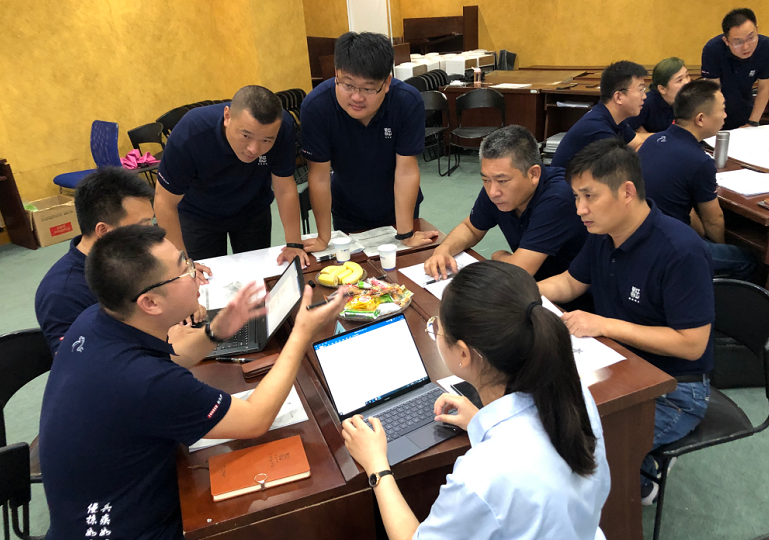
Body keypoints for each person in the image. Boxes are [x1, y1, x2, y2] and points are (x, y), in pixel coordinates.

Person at [39, 224, 347, 540]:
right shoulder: (145, 381)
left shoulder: (94, 319)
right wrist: (301, 334)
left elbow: (171, 359)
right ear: (150, 303)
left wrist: (216, 331)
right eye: (184, 269)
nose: (195, 275)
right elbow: (255, 419)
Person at [342, 260, 610, 539]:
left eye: (437, 328)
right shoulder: (574, 394)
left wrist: (377, 465)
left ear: (463, 353)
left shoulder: (482, 474)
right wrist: (479, 421)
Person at [538, 139, 713, 505]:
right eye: (576, 197)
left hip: (675, 388)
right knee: (544, 411)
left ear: (627, 192)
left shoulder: (680, 250)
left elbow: (692, 344)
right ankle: (635, 459)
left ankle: (644, 478)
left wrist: (605, 325)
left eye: (589, 196)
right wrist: (517, 291)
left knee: (579, 453)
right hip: (616, 363)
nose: (580, 209)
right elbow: (570, 283)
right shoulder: (604, 233)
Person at [300, 32, 438, 249]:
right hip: (347, 208)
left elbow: (406, 171)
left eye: (368, 88)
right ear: (336, 74)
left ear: (387, 83)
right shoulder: (316, 107)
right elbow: (319, 177)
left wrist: (406, 234)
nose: (357, 97)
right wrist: (322, 238)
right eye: (347, 85)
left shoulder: (407, 102)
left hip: (399, 208)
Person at [155, 85, 309, 266]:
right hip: (199, 215)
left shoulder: (281, 127)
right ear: (227, 116)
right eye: (246, 136)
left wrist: (293, 244)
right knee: (203, 277)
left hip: (252, 210)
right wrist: (182, 265)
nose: (254, 149)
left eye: (266, 140)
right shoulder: (190, 134)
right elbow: (164, 201)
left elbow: (284, 188)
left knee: (256, 271)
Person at [424, 125, 587, 281]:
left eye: (502, 180)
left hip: (571, 295)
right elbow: (471, 228)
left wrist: (499, 256)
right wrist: (443, 250)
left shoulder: (559, 197)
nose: (493, 192)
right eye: (485, 179)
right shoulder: (495, 187)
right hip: (532, 284)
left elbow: (518, 271)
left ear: (534, 174)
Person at [638, 79, 755, 280]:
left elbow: (680, 202)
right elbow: (714, 220)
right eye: (722, 109)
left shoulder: (652, 141)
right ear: (700, 118)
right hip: (670, 247)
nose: (725, 115)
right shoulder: (699, 161)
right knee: (747, 259)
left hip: (641, 234)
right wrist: (720, 248)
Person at [35, 168, 155, 353]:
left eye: (151, 222)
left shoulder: (131, 256)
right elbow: (78, 363)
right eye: (143, 225)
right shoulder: (63, 294)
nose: (152, 234)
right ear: (104, 231)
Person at [552, 61, 647, 169]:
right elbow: (620, 170)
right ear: (618, 97)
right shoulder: (598, 129)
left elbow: (638, 145)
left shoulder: (614, 118)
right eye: (640, 90)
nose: (644, 96)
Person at [701, 8, 769, 129]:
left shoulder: (765, 47)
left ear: (757, 30)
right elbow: (713, 91)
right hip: (717, 110)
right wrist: (715, 126)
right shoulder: (712, 50)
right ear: (726, 41)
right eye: (738, 42)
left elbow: (765, 87)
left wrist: (752, 123)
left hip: (745, 105)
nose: (746, 47)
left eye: (751, 38)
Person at [627, 57, 690, 136]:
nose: (687, 82)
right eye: (679, 80)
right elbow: (626, 132)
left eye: (687, 76)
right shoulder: (645, 103)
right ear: (662, 89)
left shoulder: (690, 99)